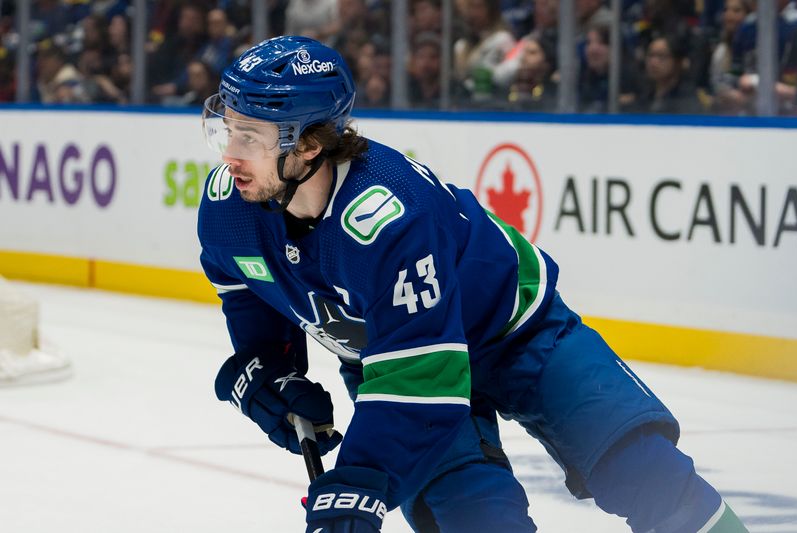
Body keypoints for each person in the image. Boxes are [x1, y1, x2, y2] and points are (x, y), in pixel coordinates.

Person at [197, 36, 749, 533]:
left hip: (519, 336)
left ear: (309, 146)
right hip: (394, 357)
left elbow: (422, 375)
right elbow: (249, 286)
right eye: (229, 129)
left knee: (649, 476)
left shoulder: (388, 216)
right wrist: (272, 368)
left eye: (250, 136)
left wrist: (362, 478)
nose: (230, 153)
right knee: (474, 522)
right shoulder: (229, 206)